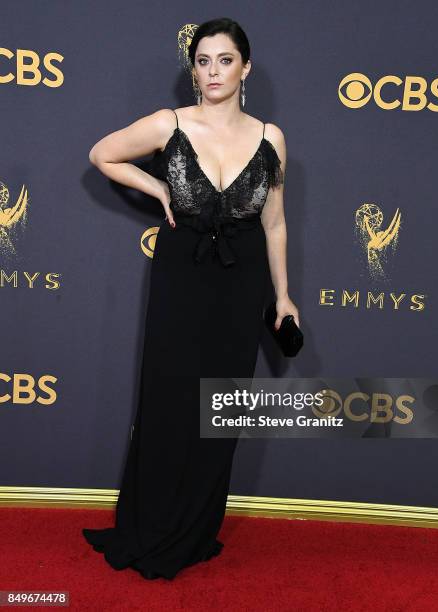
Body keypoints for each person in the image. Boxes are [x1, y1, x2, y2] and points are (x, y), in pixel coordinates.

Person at [82, 17, 300, 580]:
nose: (212, 72)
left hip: (241, 284)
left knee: (218, 410)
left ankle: (196, 527)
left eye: (225, 60)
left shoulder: (270, 137)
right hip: (182, 277)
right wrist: (156, 185)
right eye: (203, 61)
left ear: (245, 68)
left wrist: (283, 297)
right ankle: (152, 525)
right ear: (193, 69)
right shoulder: (168, 123)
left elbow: (274, 224)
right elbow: (102, 154)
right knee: (169, 401)